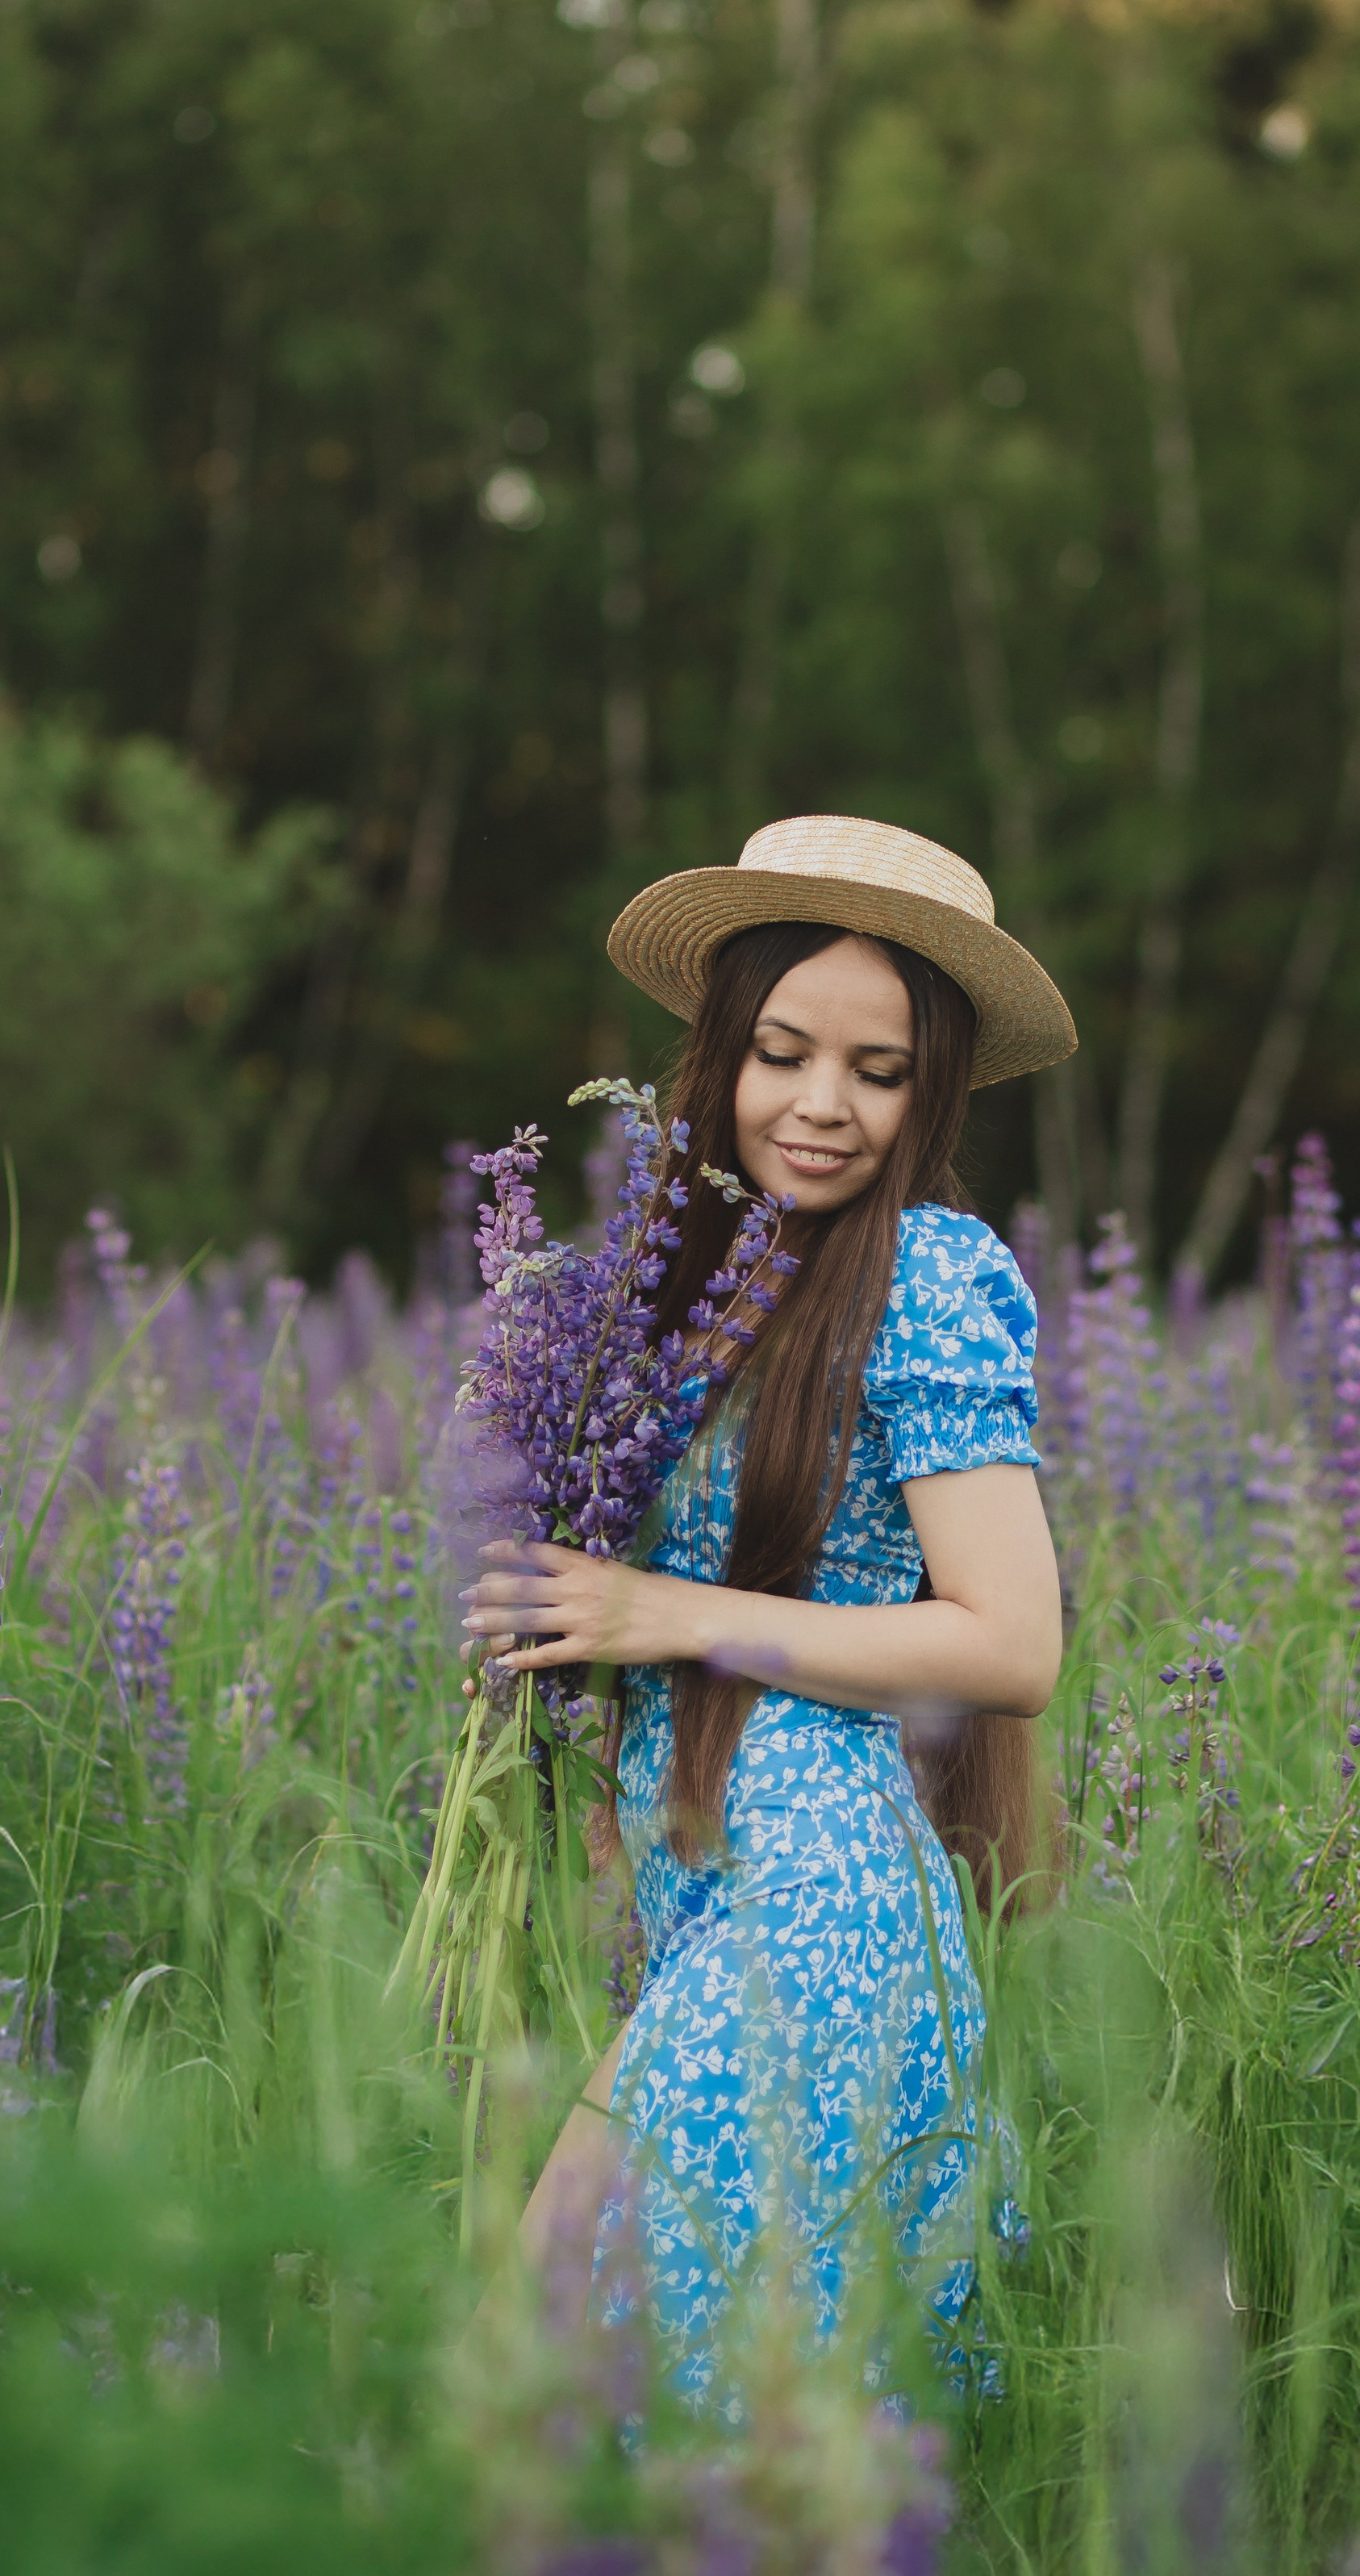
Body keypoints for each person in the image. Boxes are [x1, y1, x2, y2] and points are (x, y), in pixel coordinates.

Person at [461, 815, 1076, 2404]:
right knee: (594, 2397)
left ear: (929, 1089)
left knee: (622, 2398)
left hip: (824, 1898)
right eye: (781, 1053)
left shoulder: (925, 1274)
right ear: (719, 1050)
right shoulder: (686, 1284)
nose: (817, 1106)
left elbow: (1008, 1647)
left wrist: (658, 1610)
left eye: (874, 1072)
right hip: (700, 1898)